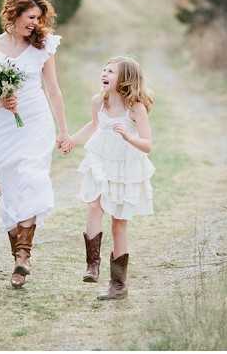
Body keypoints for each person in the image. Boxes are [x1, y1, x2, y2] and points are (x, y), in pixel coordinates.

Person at [0, 0, 72, 288]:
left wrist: (63, 130)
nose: (35, 24)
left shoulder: (44, 46)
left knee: (31, 175)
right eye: (30, 17)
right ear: (13, 14)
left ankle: (23, 258)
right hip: (6, 125)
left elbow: (53, 89)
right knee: (12, 185)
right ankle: (18, 257)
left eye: (39, 18)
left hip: (38, 121)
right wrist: (1, 99)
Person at [63, 56, 155, 300]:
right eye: (104, 70)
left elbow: (147, 145)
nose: (104, 74)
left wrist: (128, 137)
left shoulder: (135, 107)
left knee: (118, 223)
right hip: (101, 162)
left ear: (125, 78)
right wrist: (72, 140)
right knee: (94, 205)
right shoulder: (99, 101)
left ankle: (118, 284)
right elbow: (94, 125)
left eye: (111, 71)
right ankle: (92, 264)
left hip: (125, 168)